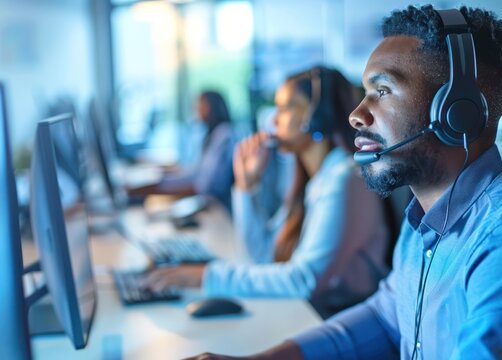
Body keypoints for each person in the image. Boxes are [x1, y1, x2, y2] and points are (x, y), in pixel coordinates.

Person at [184, 4, 502, 360]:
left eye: (383, 91)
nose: (357, 114)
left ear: (457, 111)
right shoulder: (424, 225)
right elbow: (386, 315)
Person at [145, 66, 391, 318]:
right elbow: (263, 256)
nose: (273, 120)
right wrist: (246, 186)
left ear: (318, 116)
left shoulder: (346, 179)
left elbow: (303, 280)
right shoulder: (313, 179)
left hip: (339, 322)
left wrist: (204, 276)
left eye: (285, 108)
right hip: (307, 314)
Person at [128, 91, 236, 213]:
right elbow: (197, 171)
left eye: (200, 106)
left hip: (215, 207)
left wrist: (159, 186)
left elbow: (205, 185)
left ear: (212, 107)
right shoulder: (210, 134)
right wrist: (165, 176)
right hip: (205, 201)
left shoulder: (223, 135)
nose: (196, 110)